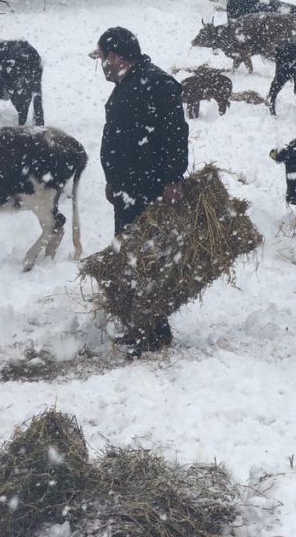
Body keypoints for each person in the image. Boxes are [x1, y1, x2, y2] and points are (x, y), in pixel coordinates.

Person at [92, 27, 189, 356]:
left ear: (114, 57)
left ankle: (153, 332)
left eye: (102, 58)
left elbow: (176, 134)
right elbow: (119, 139)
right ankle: (143, 327)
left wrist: (173, 178)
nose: (102, 65)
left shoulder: (157, 83)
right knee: (131, 258)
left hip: (148, 188)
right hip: (127, 188)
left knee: (144, 259)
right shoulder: (129, 84)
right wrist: (112, 179)